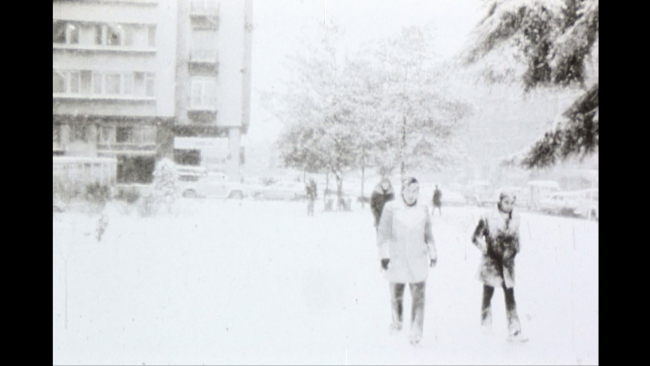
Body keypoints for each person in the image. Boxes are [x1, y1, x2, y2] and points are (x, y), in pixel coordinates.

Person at [377, 177, 437, 345]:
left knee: (419, 297)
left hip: (417, 258)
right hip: (397, 258)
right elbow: (383, 235)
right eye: (409, 190)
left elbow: (428, 234)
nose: (412, 195)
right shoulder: (391, 208)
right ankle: (397, 324)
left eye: (415, 191)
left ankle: (416, 332)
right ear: (402, 190)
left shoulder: (423, 209)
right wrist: (384, 255)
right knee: (396, 295)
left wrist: (432, 252)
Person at [471, 190, 526, 342]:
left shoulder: (516, 218)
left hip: (507, 264)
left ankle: (514, 329)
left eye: (512, 203)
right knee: (487, 294)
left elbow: (516, 237)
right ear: (500, 202)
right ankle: (485, 325)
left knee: (510, 296)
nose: (509, 206)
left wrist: (516, 247)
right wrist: (485, 248)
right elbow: (475, 237)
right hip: (491, 263)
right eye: (506, 202)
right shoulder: (488, 217)